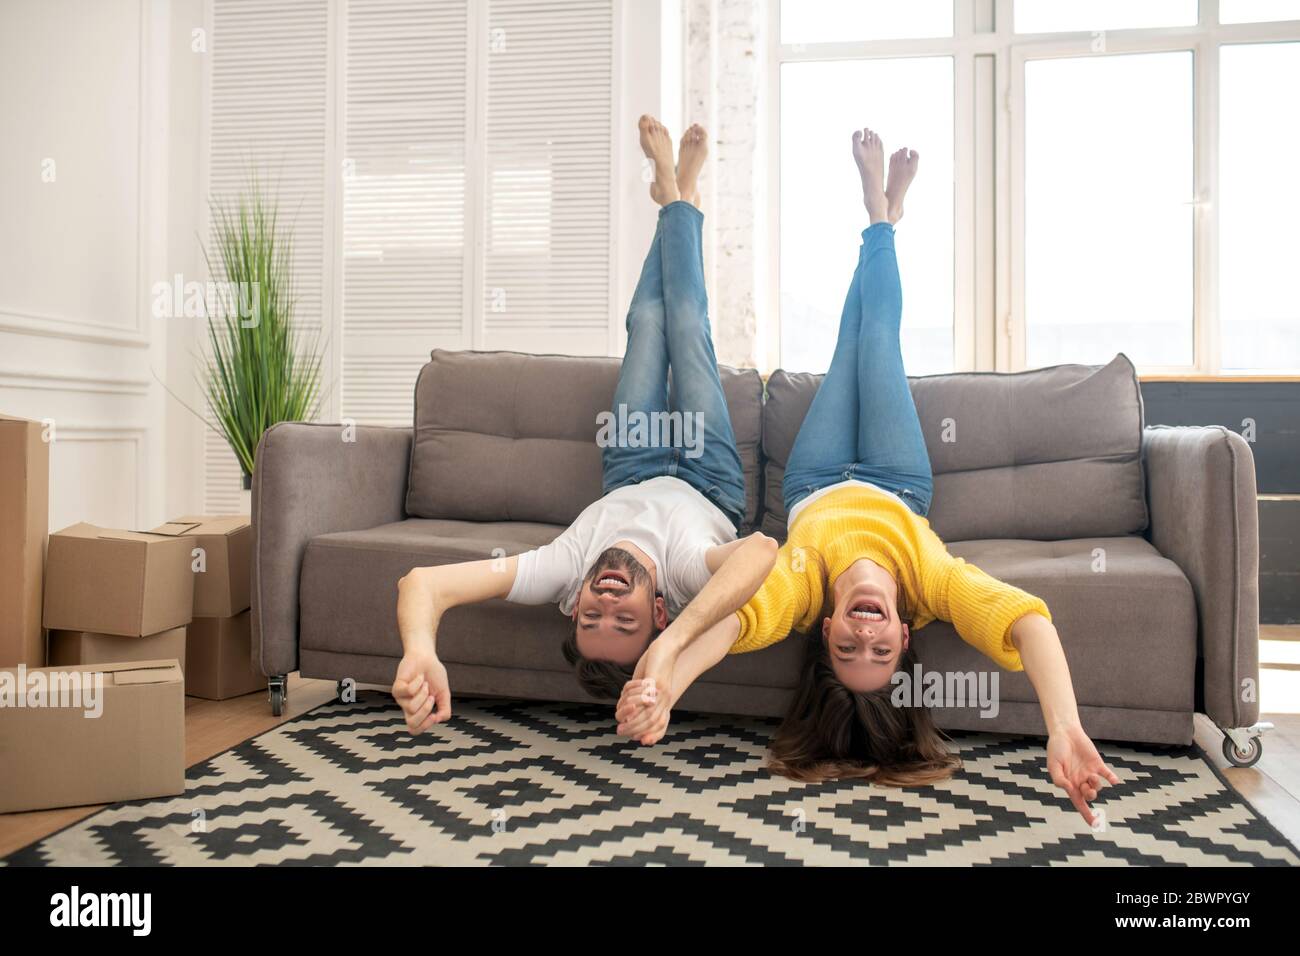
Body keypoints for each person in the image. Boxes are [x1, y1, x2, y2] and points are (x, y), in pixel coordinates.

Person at [614, 127, 1120, 826]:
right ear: (904, 641)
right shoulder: (933, 587)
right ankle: (881, 217)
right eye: (879, 651)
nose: (864, 634)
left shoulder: (800, 591)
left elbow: (726, 628)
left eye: (849, 649)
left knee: (848, 338)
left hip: (816, 477)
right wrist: (1063, 726)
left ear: (824, 633)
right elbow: (1030, 623)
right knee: (876, 340)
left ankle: (881, 217)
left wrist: (665, 684)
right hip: (895, 477)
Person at [392, 117, 778, 734]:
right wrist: (670, 649)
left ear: (571, 607)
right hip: (708, 477)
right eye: (624, 622)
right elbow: (761, 551)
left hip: (631, 463)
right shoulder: (680, 576)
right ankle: (678, 196)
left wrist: (420, 652)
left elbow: (423, 583)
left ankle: (675, 199)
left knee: (645, 323)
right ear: (659, 609)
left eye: (588, 619)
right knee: (687, 324)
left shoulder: (564, 571)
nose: (603, 606)